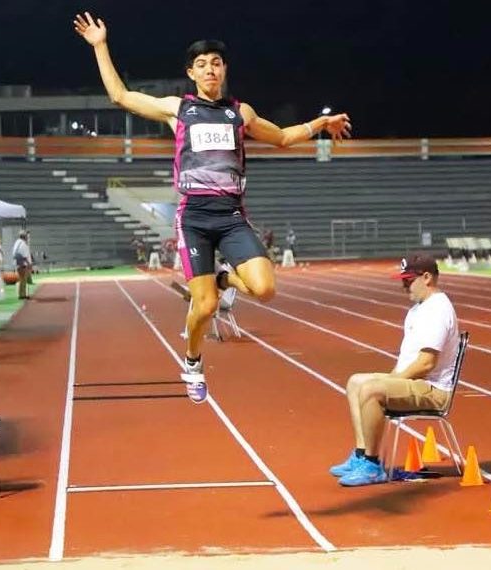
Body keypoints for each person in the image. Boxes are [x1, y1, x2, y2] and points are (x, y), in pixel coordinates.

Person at [74, 12, 352, 403]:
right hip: (194, 219)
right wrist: (100, 46)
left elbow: (284, 138)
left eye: (216, 63)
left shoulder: (241, 113)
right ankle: (192, 361)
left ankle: (223, 279)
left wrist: (320, 124)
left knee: (265, 287)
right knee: (203, 307)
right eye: (202, 65)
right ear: (191, 73)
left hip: (231, 216)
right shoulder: (178, 109)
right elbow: (121, 96)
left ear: (224, 70)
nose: (210, 70)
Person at [329, 254, 459, 486]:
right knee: (355, 382)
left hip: (432, 388)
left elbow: (426, 363)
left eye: (409, 280)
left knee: (371, 390)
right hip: (416, 382)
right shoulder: (420, 309)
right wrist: (394, 379)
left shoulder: (438, 309)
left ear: (427, 277)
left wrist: (393, 380)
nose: (404, 285)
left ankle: (372, 464)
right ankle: (361, 455)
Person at [12, 230, 32, 300]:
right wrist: (29, 264)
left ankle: (21, 294)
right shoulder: (23, 244)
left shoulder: (17, 242)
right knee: (23, 280)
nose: (27, 237)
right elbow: (24, 256)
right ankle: (22, 295)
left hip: (17, 263)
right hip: (22, 264)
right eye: (26, 236)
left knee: (21, 279)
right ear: (24, 237)